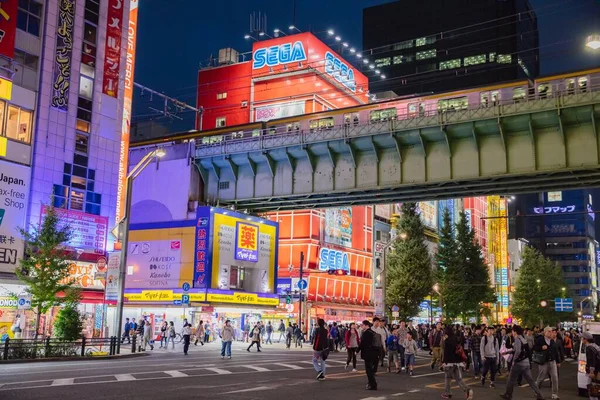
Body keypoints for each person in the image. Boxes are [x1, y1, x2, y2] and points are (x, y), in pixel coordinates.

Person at [501, 325, 544, 400]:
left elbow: (517, 351)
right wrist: (507, 352)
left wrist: (514, 360)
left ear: (515, 332)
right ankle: (539, 395)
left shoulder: (517, 339)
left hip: (519, 363)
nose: (512, 333)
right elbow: (519, 350)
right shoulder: (523, 339)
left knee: (511, 379)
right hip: (526, 362)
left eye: (513, 331)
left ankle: (508, 395)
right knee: (530, 380)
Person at [441, 326, 473, 400]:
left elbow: (446, 353)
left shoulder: (447, 340)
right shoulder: (457, 338)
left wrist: (444, 362)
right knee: (459, 379)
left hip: (449, 363)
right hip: (457, 362)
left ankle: (447, 393)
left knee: (448, 378)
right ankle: (468, 390)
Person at [534, 327, 560, 399]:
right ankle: (536, 391)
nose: (550, 333)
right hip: (543, 361)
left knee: (555, 377)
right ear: (545, 332)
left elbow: (555, 352)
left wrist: (558, 361)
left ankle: (554, 394)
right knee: (541, 378)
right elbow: (535, 348)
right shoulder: (540, 340)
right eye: (549, 331)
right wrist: (541, 347)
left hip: (552, 361)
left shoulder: (552, 341)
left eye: (551, 331)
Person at [359, 320, 381, 391]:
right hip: (374, 353)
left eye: (362, 325)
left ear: (366, 325)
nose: (361, 326)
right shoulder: (373, 332)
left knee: (368, 370)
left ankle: (373, 384)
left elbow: (363, 343)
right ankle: (371, 384)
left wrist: (357, 351)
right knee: (370, 369)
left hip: (368, 354)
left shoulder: (366, 333)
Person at [582, 331, 600, 400]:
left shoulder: (589, 348)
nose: (581, 339)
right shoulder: (595, 346)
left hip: (594, 371)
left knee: (592, 388)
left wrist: (591, 372)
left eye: (582, 338)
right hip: (598, 370)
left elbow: (591, 360)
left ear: (585, 339)